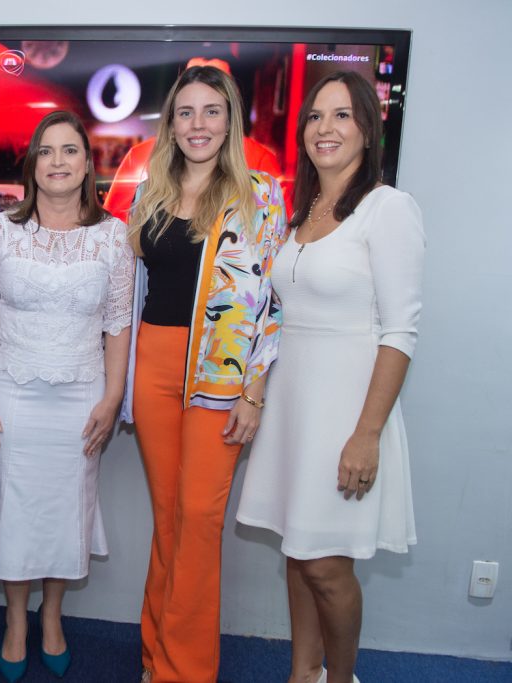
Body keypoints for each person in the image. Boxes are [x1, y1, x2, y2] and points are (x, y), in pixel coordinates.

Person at [236, 71, 423, 683]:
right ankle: (303, 675)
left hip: (346, 413)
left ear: (368, 129)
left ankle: (340, 679)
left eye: (342, 116)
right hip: (294, 409)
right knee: (298, 551)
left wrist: (366, 434)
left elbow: (399, 332)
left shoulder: (388, 209)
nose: (326, 128)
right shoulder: (302, 210)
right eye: (315, 116)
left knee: (326, 566)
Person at [120, 65, 288, 683]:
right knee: (169, 517)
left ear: (230, 119)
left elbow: (274, 300)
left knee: (199, 518)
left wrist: (256, 388)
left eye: (210, 111)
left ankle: (183, 671)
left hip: (221, 373)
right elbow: (134, 286)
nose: (198, 124)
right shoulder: (150, 193)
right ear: (171, 124)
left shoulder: (262, 194)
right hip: (156, 359)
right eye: (185, 112)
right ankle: (155, 652)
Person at [0, 110, 134, 682]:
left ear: (88, 164)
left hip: (82, 400)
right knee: (15, 508)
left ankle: (53, 614)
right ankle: (16, 619)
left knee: (66, 510)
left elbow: (117, 325)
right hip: (10, 392)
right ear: (32, 164)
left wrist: (113, 398)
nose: (58, 162)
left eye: (70, 151)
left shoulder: (112, 236)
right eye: (47, 151)